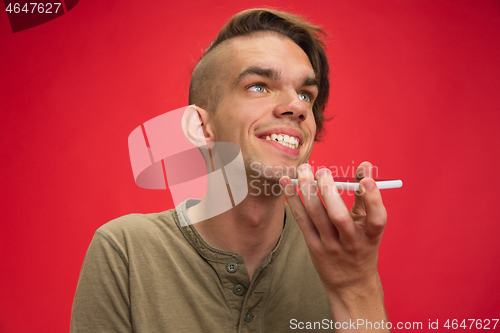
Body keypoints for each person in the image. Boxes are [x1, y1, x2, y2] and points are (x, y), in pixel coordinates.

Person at [71, 8, 389, 332]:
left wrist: (355, 287)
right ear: (200, 126)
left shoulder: (341, 254)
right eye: (259, 86)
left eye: (306, 94)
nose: (297, 107)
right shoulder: (124, 251)